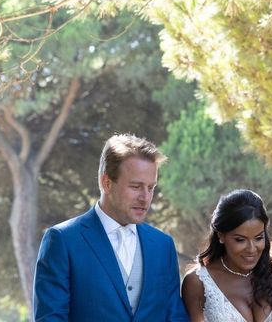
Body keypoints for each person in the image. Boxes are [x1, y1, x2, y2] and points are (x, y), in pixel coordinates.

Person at [33, 133, 189, 321]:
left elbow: (174, 317)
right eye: (136, 186)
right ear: (106, 183)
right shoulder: (63, 240)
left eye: (151, 187)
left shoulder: (163, 245)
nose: (146, 198)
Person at [182, 189, 272, 322]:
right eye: (240, 240)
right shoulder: (198, 282)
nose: (251, 249)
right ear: (221, 236)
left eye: (258, 238)